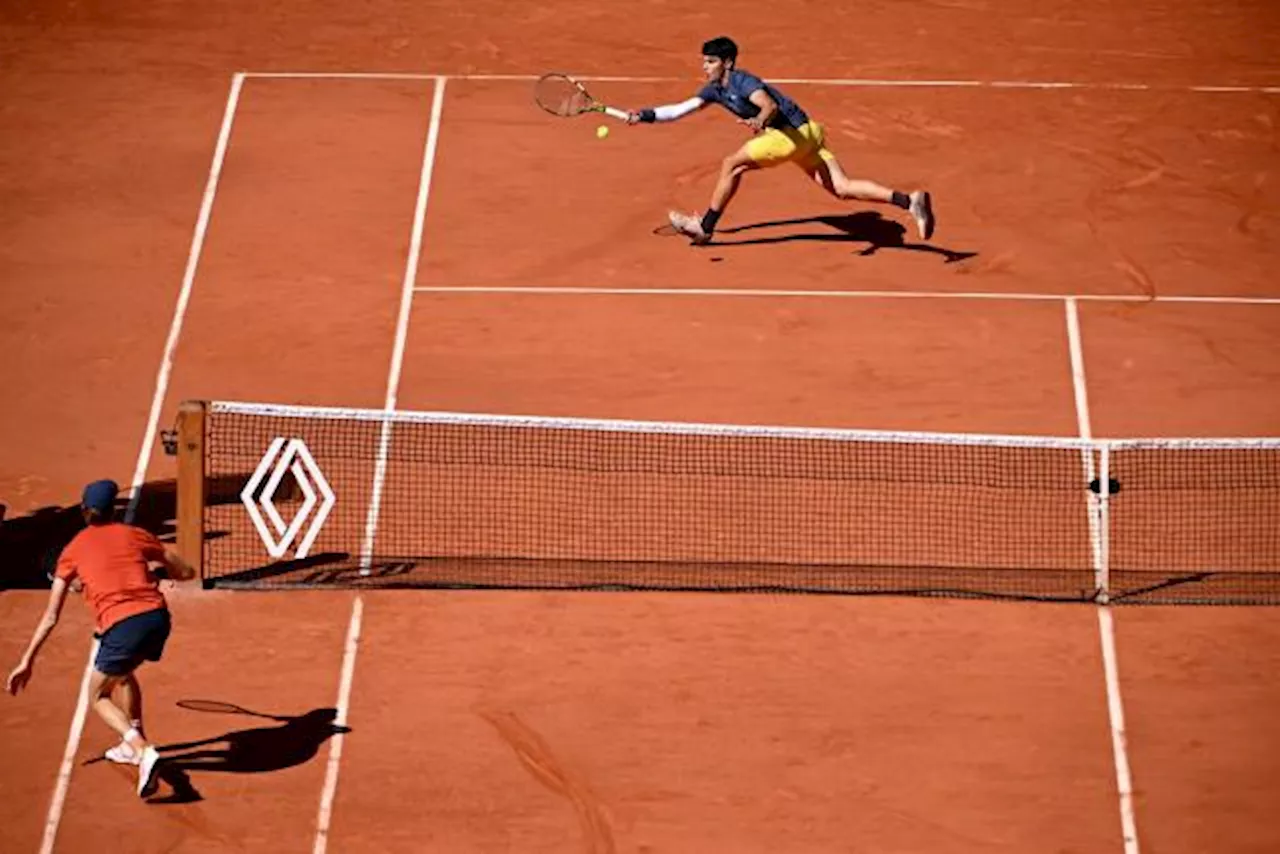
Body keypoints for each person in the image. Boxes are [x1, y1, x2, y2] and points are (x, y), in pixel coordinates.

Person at [626, 36, 935, 246]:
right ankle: (910, 201)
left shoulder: (743, 81)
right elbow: (680, 110)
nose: (704, 67)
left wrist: (759, 121)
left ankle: (704, 228)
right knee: (842, 188)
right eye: (704, 61)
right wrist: (645, 114)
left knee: (732, 164)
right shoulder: (713, 90)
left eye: (710, 62)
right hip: (810, 134)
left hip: (790, 136)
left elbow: (768, 106)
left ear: (727, 62)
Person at [6, 479, 196, 798]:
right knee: (122, 676)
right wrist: (169, 573)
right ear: (113, 511)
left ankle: (142, 749)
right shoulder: (135, 535)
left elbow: (52, 616)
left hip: (122, 625)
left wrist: (27, 662)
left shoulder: (73, 551)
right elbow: (184, 570)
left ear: (84, 512)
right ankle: (130, 742)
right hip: (157, 618)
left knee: (96, 696)